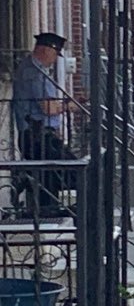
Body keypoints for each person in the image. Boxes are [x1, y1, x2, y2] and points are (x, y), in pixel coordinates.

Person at [12, 33, 79, 215]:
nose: (56, 59)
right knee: (75, 170)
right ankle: (62, 213)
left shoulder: (36, 69)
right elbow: (48, 107)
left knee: (49, 178)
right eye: (55, 53)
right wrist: (67, 106)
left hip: (42, 135)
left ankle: (48, 211)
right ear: (46, 49)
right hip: (36, 136)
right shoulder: (32, 72)